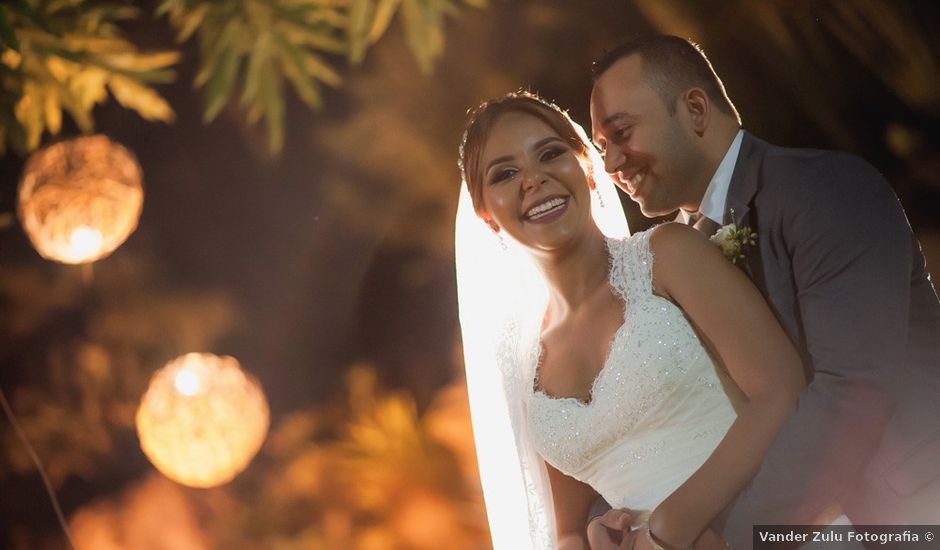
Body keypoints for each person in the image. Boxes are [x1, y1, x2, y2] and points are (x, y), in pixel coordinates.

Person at [587, 35, 940, 549]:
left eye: (622, 132)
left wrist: (735, 537)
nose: (613, 162)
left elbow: (852, 389)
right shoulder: (673, 262)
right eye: (601, 148)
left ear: (695, 108)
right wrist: (624, 509)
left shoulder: (824, 190)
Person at [455, 91, 806, 550]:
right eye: (505, 173)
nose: (534, 180)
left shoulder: (668, 255)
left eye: (550, 154)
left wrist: (666, 531)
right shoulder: (524, 361)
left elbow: (781, 389)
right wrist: (586, 540)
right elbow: (567, 524)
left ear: (589, 169)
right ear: (487, 215)